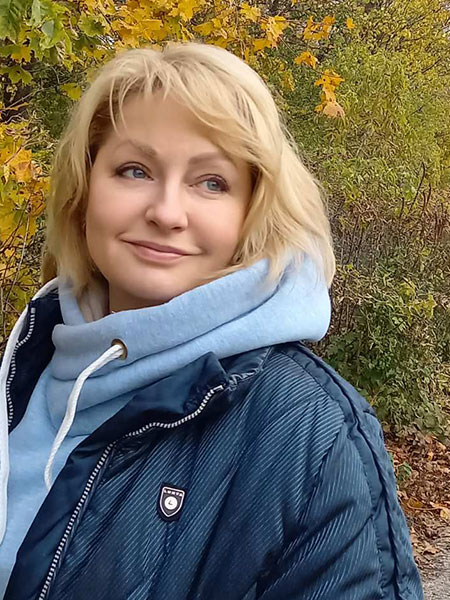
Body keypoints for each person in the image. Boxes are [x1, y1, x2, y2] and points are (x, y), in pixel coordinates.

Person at [0, 41, 423, 599]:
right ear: (84, 189)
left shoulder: (313, 436)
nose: (166, 212)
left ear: (254, 209)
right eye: (134, 170)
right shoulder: (24, 366)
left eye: (211, 182)